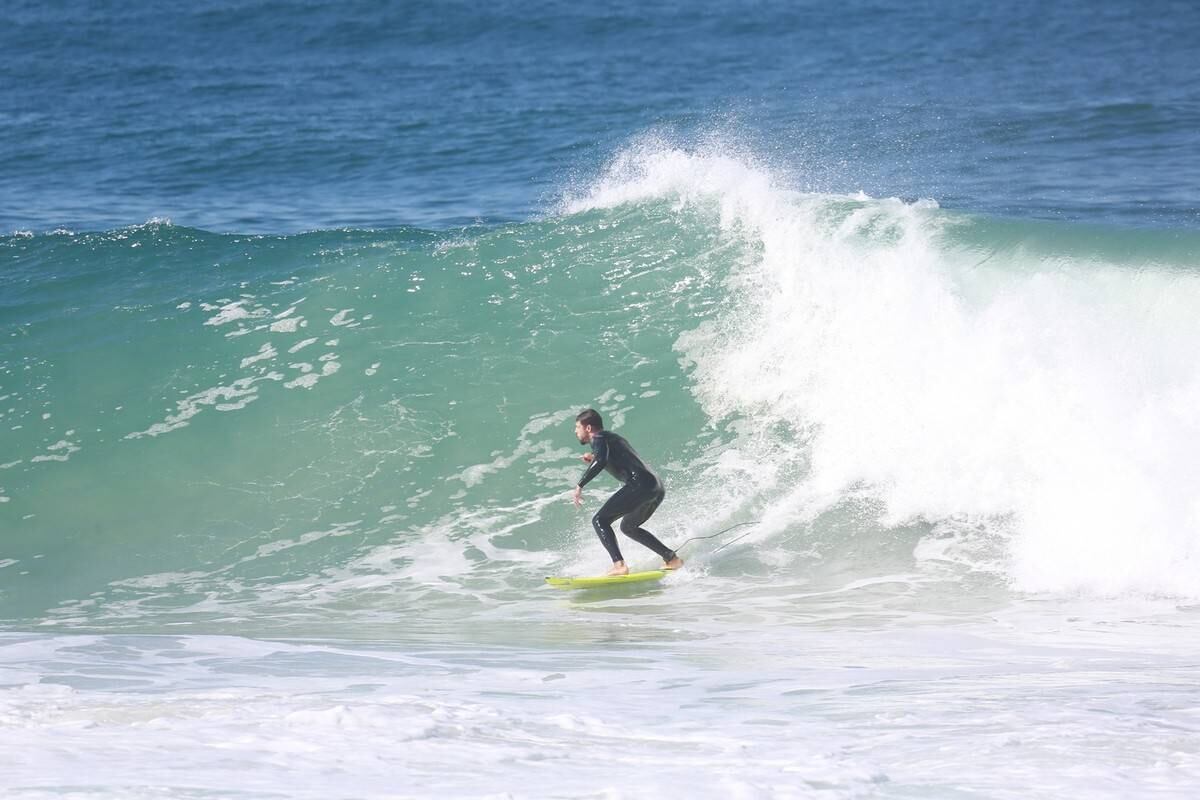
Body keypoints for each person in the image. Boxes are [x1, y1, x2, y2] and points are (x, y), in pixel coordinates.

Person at [572, 408, 684, 576]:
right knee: (628, 527)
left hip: (639, 484)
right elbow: (612, 458)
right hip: (655, 486)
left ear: (588, 428)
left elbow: (601, 461)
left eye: (577, 427)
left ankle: (619, 566)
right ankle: (672, 559)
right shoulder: (611, 438)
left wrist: (580, 485)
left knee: (599, 520)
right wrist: (594, 458)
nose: (575, 431)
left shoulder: (598, 437)